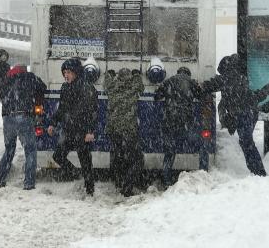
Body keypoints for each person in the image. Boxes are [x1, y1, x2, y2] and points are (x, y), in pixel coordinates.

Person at [202, 53, 268, 176]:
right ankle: (257, 171)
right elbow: (247, 97)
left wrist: (197, 86)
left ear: (225, 68)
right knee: (246, 142)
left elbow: (209, 86)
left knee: (246, 142)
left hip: (244, 113)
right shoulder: (241, 77)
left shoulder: (227, 78)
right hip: (250, 112)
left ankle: (259, 172)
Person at [47, 58, 98, 196]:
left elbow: (93, 112)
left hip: (83, 132)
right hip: (69, 131)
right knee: (58, 155)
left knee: (86, 162)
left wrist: (90, 131)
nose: (66, 75)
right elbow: (62, 109)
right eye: (64, 72)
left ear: (76, 72)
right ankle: (76, 175)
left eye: (69, 72)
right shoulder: (65, 87)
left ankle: (90, 191)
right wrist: (53, 123)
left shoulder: (87, 87)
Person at [0, 64, 46, 190]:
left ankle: (0, 180)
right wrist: (38, 103)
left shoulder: (6, 80)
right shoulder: (29, 77)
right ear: (24, 70)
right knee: (30, 150)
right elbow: (43, 87)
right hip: (24, 116)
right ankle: (29, 183)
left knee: (9, 150)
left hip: (8, 118)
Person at [154, 66, 202, 186]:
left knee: (169, 151)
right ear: (188, 73)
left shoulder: (169, 81)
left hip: (170, 120)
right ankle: (197, 171)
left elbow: (157, 96)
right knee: (195, 143)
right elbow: (200, 95)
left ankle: (166, 178)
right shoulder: (192, 82)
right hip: (185, 121)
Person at [104, 68, 145, 196]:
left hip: (114, 130)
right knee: (136, 159)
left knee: (117, 157)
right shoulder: (132, 88)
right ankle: (127, 187)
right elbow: (140, 86)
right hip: (128, 129)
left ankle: (118, 182)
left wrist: (109, 74)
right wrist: (137, 74)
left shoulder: (112, 88)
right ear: (129, 78)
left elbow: (106, 83)